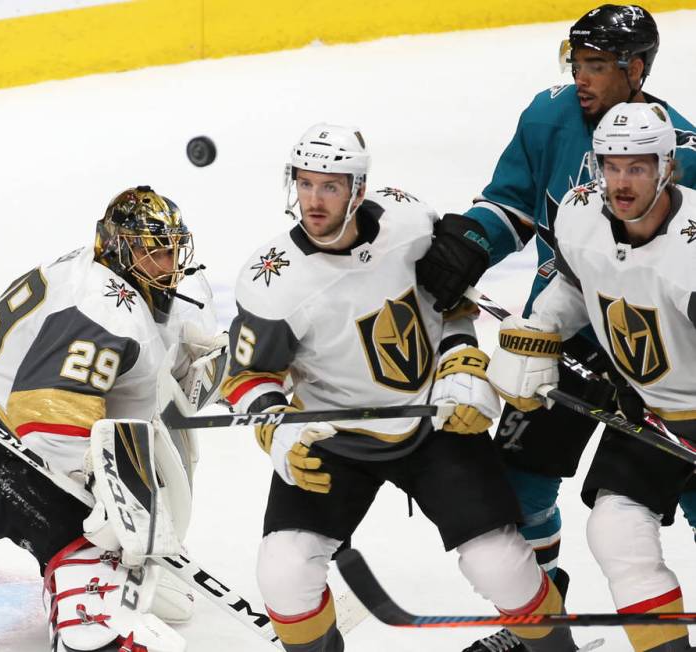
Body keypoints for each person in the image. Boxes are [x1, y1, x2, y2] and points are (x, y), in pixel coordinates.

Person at [221, 123, 579, 652]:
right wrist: (280, 434)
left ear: (358, 190)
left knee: (501, 565)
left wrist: (461, 363)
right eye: (305, 184)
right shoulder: (273, 280)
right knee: (283, 573)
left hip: (432, 423)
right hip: (334, 439)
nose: (314, 201)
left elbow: (452, 299)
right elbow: (249, 376)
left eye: (330, 186)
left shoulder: (410, 223)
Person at [414, 6, 696, 650]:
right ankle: (540, 619)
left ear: (638, 69)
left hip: (666, 356)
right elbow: (511, 206)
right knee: (518, 477)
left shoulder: (681, 149)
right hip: (563, 331)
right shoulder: (548, 116)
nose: (581, 78)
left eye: (597, 65)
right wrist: (473, 245)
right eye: (577, 63)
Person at [0, 186, 227, 652]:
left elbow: (131, 383)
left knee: (125, 529)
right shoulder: (102, 305)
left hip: (2, 420)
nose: (165, 263)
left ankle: (112, 567)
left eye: (172, 250)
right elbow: (48, 414)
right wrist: (109, 497)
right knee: (90, 532)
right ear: (117, 247)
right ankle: (87, 630)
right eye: (149, 251)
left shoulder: (121, 283)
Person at [487, 101, 695, 652]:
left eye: (638, 167)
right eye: (611, 165)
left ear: (667, 167)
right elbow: (578, 280)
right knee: (616, 530)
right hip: (649, 415)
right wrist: (542, 329)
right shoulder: (581, 213)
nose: (621, 182)